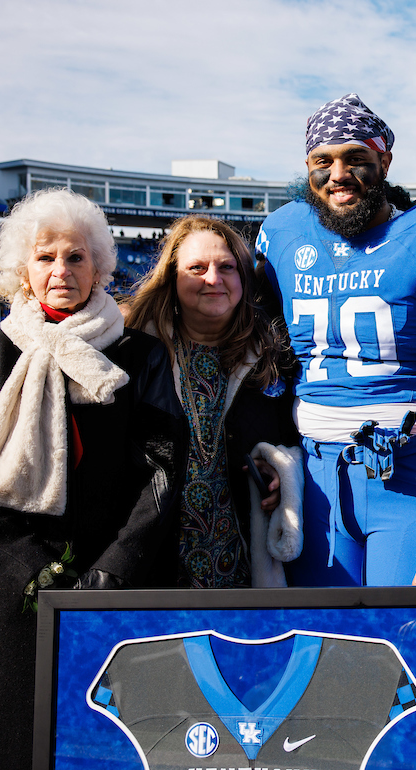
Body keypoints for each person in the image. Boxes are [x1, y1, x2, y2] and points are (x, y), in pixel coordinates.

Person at [0, 188, 183, 770]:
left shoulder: (140, 355)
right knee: (1, 754)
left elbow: (161, 471)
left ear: (100, 267)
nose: (61, 271)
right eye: (46, 257)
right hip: (7, 585)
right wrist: (30, 569)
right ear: (23, 270)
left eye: (76, 257)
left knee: (108, 753)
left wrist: (112, 570)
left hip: (113, 579)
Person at [256, 93, 416, 588]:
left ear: (385, 160)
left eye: (356, 158)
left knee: (402, 652)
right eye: (322, 161)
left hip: (412, 474)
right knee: (324, 650)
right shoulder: (284, 232)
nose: (338, 174)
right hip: (314, 479)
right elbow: (266, 367)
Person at [125, 214, 297, 588]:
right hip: (154, 558)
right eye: (196, 268)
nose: (213, 279)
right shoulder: (135, 353)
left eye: (227, 267)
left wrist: (278, 468)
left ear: (244, 277)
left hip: (245, 558)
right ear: (172, 278)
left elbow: (296, 437)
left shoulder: (275, 353)